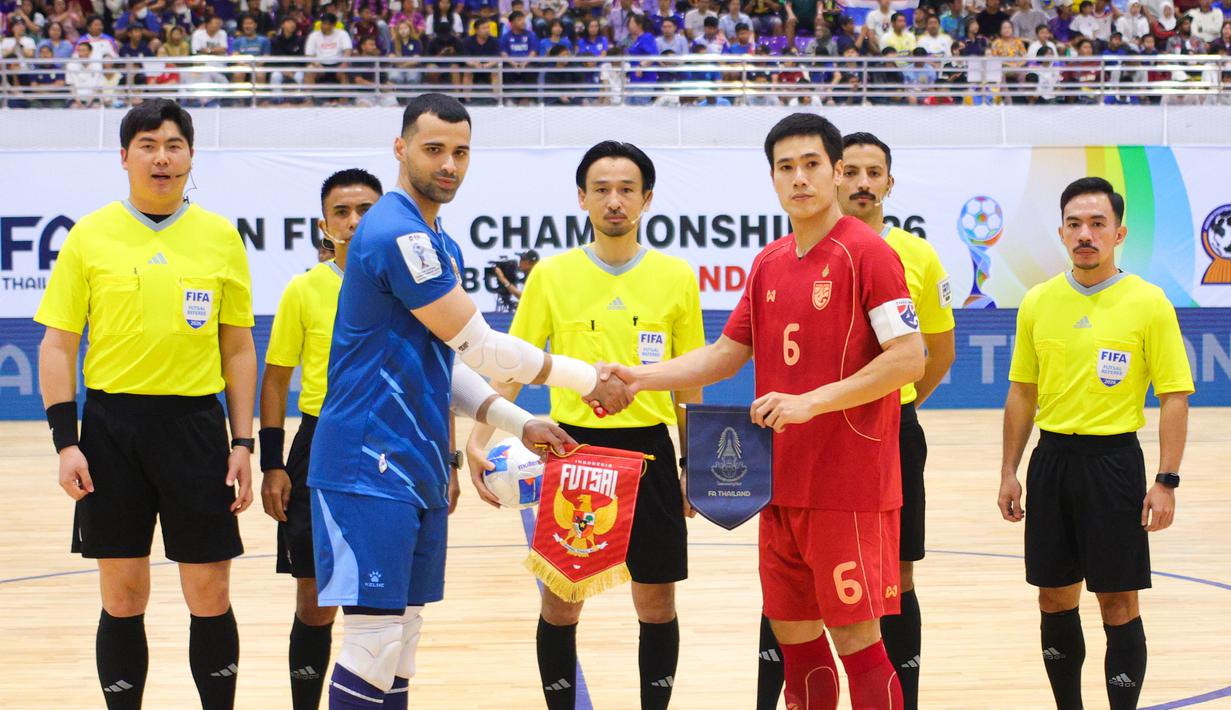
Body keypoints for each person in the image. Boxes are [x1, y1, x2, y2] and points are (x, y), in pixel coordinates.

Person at [306, 92, 632, 709]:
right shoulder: (399, 233)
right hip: (365, 464)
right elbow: (483, 348)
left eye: (460, 152)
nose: (449, 164)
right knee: (373, 642)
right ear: (401, 150)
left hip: (414, 462)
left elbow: (444, 367)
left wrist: (517, 419)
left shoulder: (438, 241)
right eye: (434, 149)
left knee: (400, 640)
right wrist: (590, 379)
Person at [603, 113, 924, 710]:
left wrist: (810, 402)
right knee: (795, 640)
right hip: (777, 486)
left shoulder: (869, 254)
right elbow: (727, 354)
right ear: (772, 178)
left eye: (811, 165)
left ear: (833, 171)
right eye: (786, 168)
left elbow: (909, 359)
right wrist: (639, 377)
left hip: (848, 485)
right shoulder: (769, 262)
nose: (799, 179)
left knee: (857, 640)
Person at [466, 141, 705, 710]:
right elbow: (511, 366)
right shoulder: (551, 276)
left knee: (657, 606)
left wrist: (692, 465)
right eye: (601, 189)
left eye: (626, 189)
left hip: (649, 454)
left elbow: (689, 388)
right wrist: (475, 442)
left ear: (647, 198)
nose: (614, 200)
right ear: (582, 198)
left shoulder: (676, 278)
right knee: (560, 606)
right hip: (572, 452)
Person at [35, 99, 256, 710]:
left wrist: (243, 444)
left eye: (174, 144)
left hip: (195, 428)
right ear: (125, 156)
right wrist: (66, 440)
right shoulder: (89, 235)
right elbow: (57, 345)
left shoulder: (219, 237)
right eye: (148, 144)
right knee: (123, 596)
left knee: (209, 593)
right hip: (111, 430)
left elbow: (237, 348)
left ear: (190, 156)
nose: (162, 156)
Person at [999, 176, 1193, 710]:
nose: (1086, 234)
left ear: (1119, 232)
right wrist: (1009, 470)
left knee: (1117, 599)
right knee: (1054, 597)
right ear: (1061, 232)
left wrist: (1166, 480)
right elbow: (1021, 393)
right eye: (1075, 224)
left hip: (1114, 464)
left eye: (1097, 224)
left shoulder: (1149, 303)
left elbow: (1174, 397)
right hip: (1052, 461)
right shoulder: (1037, 302)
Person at [835, 132, 954, 709]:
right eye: (851, 171)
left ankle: (902, 698)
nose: (862, 183)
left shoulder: (919, 255)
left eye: (873, 172)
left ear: (889, 182)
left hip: (894, 430)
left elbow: (940, 350)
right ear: (835, 177)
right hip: (823, 434)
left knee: (899, 573)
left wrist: (902, 400)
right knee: (806, 576)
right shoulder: (807, 247)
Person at [259, 169, 384, 710]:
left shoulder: (409, 285)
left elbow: (436, 374)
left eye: (366, 211)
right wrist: (272, 462)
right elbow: (276, 377)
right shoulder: (304, 290)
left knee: (382, 602)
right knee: (314, 602)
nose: (354, 222)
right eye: (342, 212)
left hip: (388, 445)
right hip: (319, 444)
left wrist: (447, 458)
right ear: (324, 224)